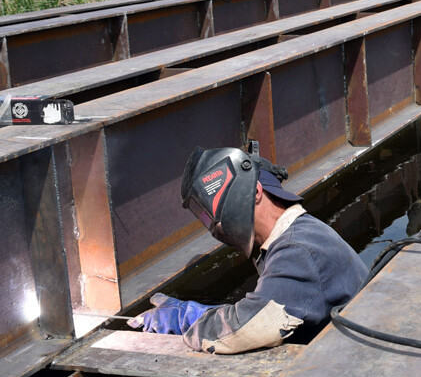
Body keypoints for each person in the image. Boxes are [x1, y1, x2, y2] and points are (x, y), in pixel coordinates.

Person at [132, 147, 370, 354]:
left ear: (255, 192)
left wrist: (185, 320)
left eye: (217, 211)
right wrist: (199, 313)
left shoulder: (298, 250)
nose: (217, 225)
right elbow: (263, 308)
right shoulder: (294, 237)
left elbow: (246, 328)